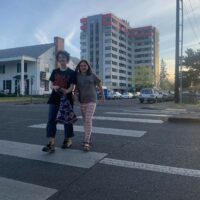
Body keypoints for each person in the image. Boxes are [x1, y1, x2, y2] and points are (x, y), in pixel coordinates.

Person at [42, 50, 76, 153]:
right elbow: (51, 84)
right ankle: (51, 143)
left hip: (67, 99)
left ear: (67, 59)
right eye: (60, 58)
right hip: (54, 99)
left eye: (63, 57)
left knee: (67, 120)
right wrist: (54, 87)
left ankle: (68, 140)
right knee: (51, 120)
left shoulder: (71, 72)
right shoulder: (55, 71)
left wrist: (67, 91)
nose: (61, 59)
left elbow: (72, 86)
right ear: (58, 60)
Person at [75, 60, 104, 151]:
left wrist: (102, 97)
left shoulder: (92, 75)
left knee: (88, 119)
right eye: (81, 66)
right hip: (82, 101)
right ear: (79, 67)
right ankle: (89, 136)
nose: (83, 67)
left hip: (92, 100)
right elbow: (76, 89)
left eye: (85, 65)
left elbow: (100, 86)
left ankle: (86, 141)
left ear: (88, 66)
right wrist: (75, 97)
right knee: (85, 121)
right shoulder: (77, 77)